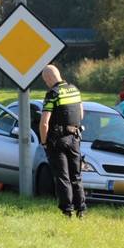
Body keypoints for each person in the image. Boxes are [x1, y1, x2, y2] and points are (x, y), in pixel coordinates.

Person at [38, 65, 86, 218]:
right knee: (76, 175)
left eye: (45, 80)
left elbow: (44, 123)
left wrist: (44, 142)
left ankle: (67, 210)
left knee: (62, 176)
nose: (46, 83)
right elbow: (81, 114)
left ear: (49, 78)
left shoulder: (53, 94)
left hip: (57, 140)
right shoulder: (74, 90)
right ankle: (81, 210)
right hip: (75, 137)